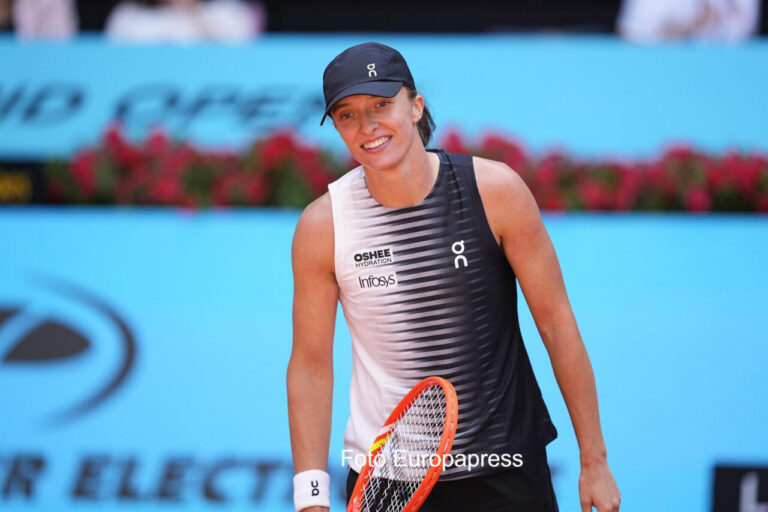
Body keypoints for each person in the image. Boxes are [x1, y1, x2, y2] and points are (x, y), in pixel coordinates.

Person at [287, 42, 621, 512]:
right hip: (389, 478)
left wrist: (595, 460)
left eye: (382, 105)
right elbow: (310, 365)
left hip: (506, 467)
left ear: (416, 105)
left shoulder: (495, 191)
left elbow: (556, 322)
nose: (367, 127)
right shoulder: (324, 226)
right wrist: (311, 497)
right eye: (347, 115)